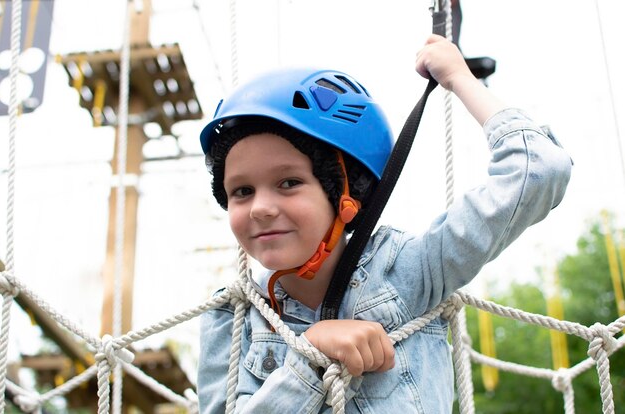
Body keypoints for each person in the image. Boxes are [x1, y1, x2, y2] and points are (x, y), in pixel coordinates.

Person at [196, 34, 572, 413]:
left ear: (347, 194)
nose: (260, 207)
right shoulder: (234, 315)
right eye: (241, 191)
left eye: (289, 183)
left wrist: (460, 78)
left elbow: (539, 169)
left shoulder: (408, 273)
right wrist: (311, 355)